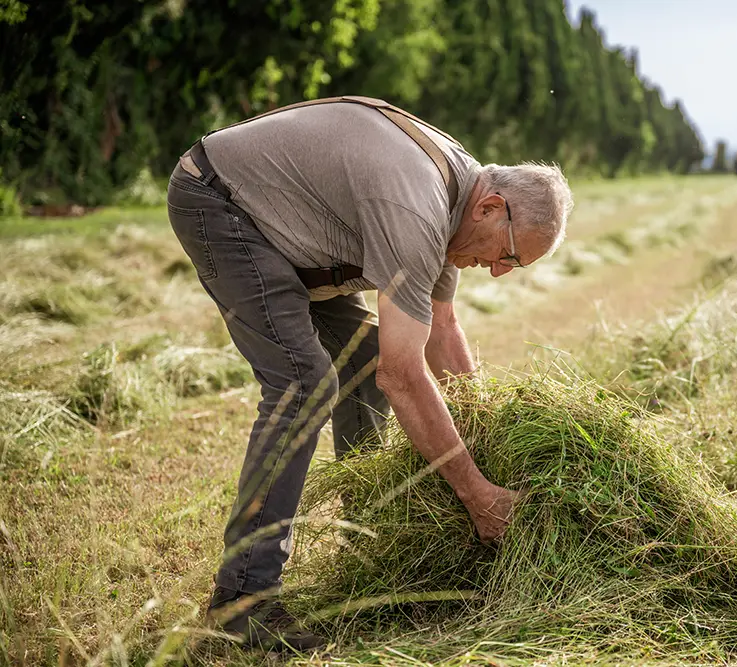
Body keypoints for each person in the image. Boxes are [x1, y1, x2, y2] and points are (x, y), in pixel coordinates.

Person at [165, 96, 574, 651]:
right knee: (303, 384)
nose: (500, 273)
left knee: (362, 355)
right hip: (223, 202)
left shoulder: (458, 199)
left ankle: (370, 540)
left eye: (514, 266)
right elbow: (403, 376)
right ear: (491, 207)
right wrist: (477, 494)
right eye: (510, 256)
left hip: (291, 229)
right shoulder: (417, 207)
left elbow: (443, 329)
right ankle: (243, 603)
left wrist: (487, 432)